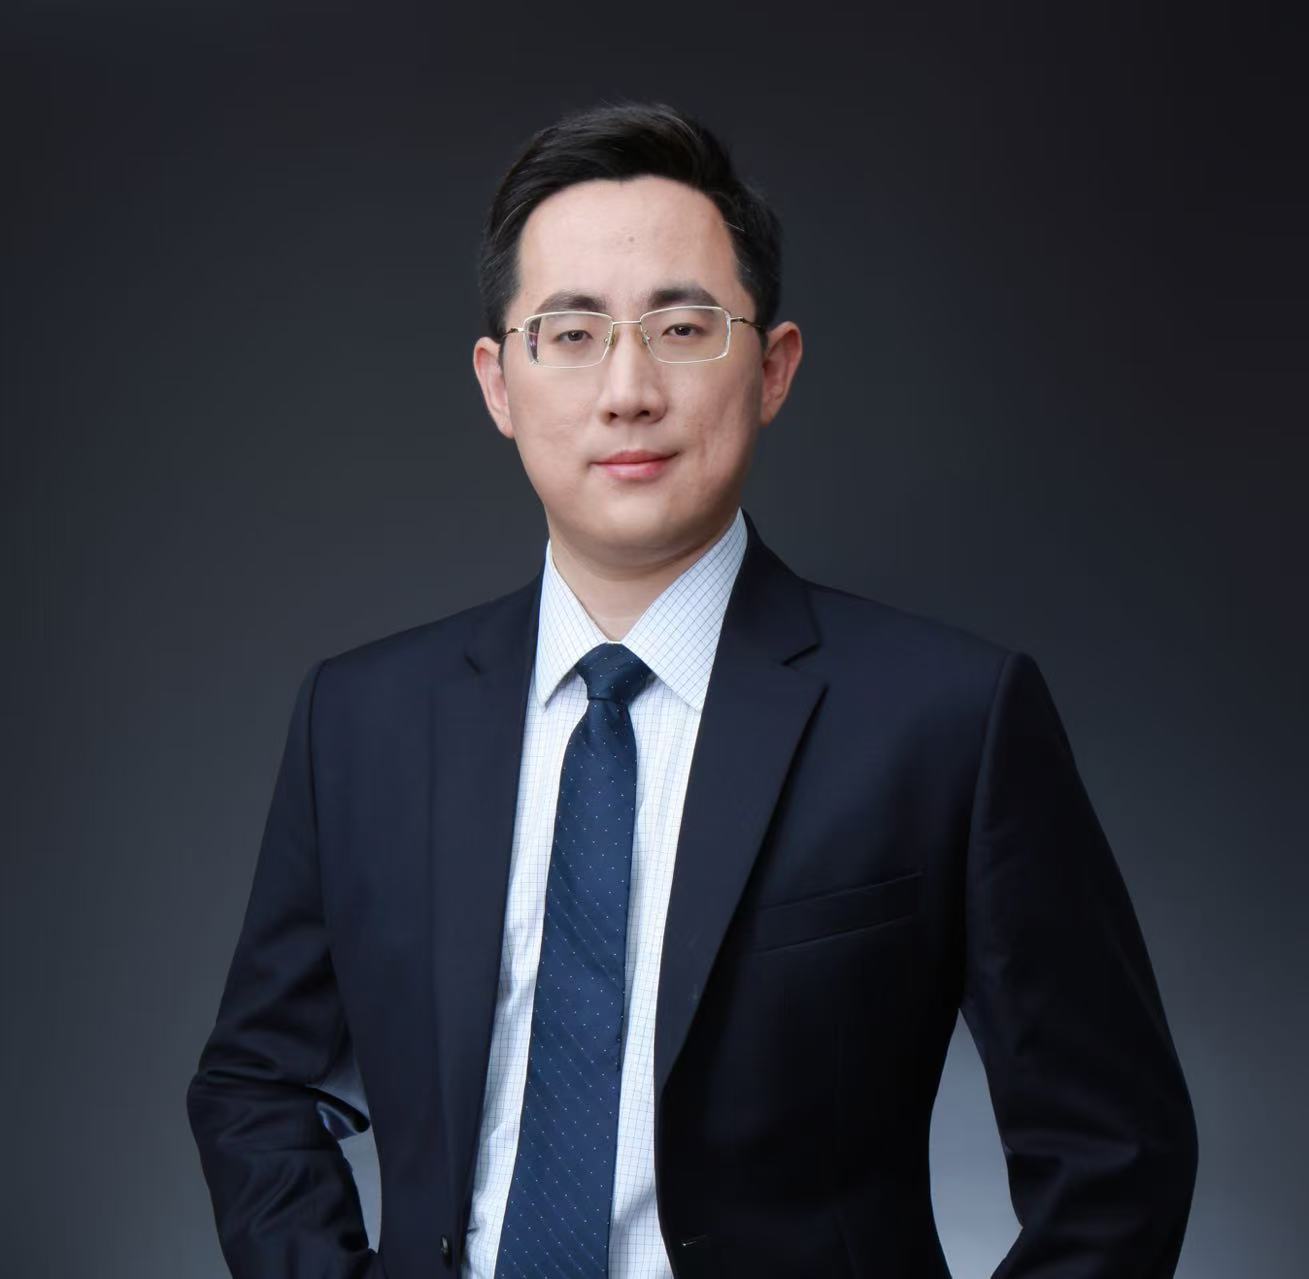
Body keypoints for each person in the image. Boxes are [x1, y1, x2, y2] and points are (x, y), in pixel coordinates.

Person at [186, 101, 1198, 1279]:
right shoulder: (361, 721)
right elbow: (257, 1080)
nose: (628, 390)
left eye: (681, 327)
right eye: (571, 333)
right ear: (498, 383)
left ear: (773, 368)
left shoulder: (947, 720)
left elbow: (1114, 1154)